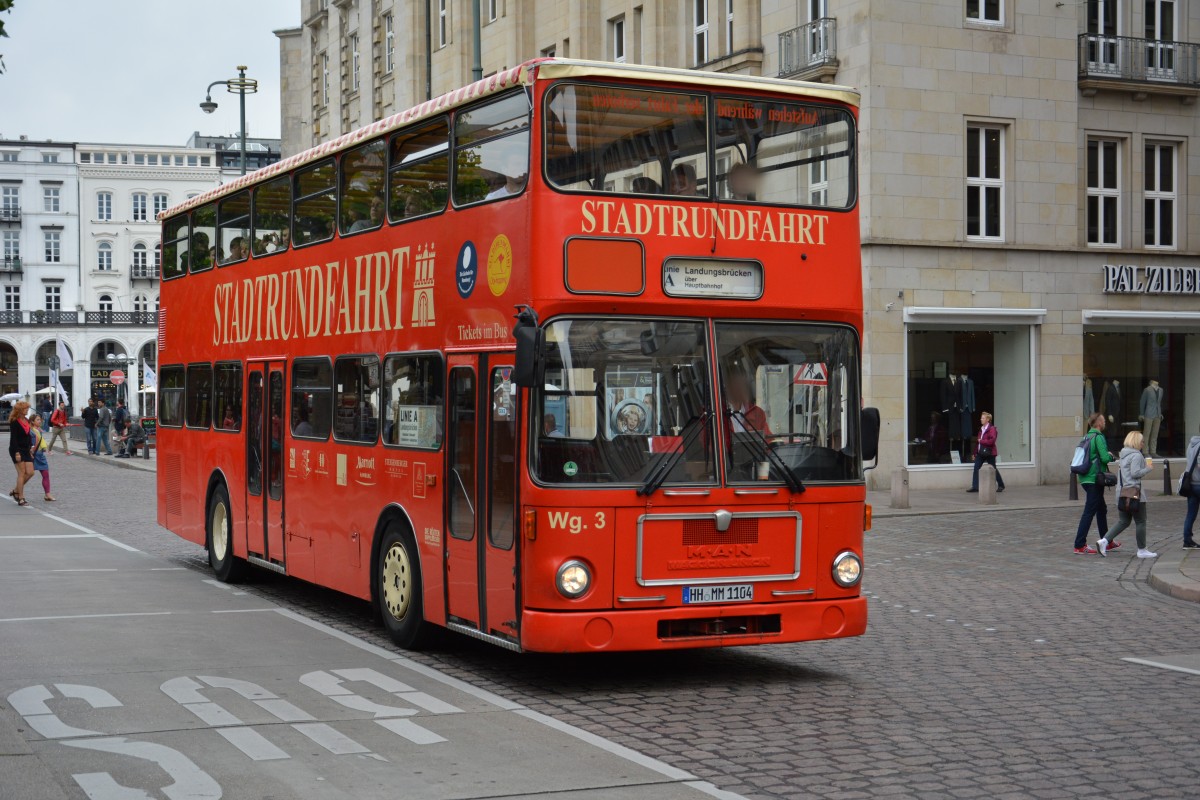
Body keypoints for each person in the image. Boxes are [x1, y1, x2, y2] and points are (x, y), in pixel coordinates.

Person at [1097, 431, 1154, 558]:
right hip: (1134, 493)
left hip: (1121, 493)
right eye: (1142, 441)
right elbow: (1135, 473)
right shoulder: (1137, 455)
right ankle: (1142, 550)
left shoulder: (1123, 455)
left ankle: (1104, 541)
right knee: (1140, 521)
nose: (1143, 444)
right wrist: (1148, 469)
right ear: (1136, 442)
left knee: (1123, 521)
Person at [1074, 412, 1113, 555]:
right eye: (1103, 420)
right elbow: (1104, 458)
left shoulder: (1086, 436)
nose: (1104, 422)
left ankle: (1107, 540)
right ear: (1098, 423)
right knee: (1089, 512)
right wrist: (1110, 455)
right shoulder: (1098, 437)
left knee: (1101, 509)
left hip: (1085, 478)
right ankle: (1079, 545)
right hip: (1094, 479)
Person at [966, 411, 1005, 493]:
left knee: (993, 469)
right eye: (981, 418)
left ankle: (1001, 485)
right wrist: (974, 453)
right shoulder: (981, 429)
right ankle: (975, 486)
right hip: (981, 453)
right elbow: (978, 443)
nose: (981, 419)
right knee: (976, 467)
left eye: (983, 418)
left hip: (990, 453)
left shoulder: (992, 429)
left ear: (987, 419)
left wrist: (982, 441)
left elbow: (992, 441)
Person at [8, 400, 35, 507]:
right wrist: (17, 453)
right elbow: (13, 439)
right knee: (22, 473)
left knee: (31, 472)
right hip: (16, 449)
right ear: (20, 410)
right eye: (26, 408)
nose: (27, 410)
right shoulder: (14, 421)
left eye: (28, 408)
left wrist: (30, 449)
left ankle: (15, 490)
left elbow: (28, 436)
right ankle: (21, 497)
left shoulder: (27, 420)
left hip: (26, 449)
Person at [1181, 424, 1200, 550]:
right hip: (1199, 483)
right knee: (1191, 513)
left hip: (1191, 483)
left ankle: (1187, 540)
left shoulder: (1192, 443)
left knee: (1191, 513)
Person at [29, 414, 54, 501]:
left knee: (45, 474)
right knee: (26, 475)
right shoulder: (32, 430)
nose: (40, 421)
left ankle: (47, 494)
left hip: (40, 455)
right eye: (38, 420)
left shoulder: (38, 430)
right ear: (32, 421)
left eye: (40, 420)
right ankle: (18, 491)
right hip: (33, 455)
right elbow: (33, 443)